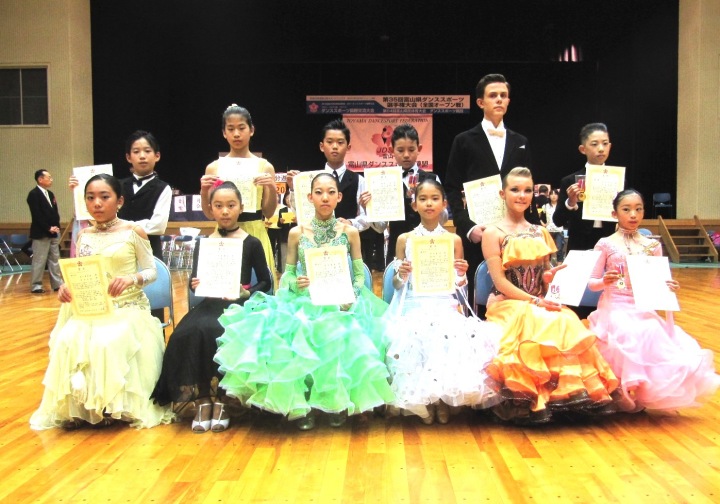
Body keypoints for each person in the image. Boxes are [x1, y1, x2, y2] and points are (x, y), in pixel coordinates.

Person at [213, 172, 394, 430]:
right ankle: (304, 403)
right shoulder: (297, 233)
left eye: (331, 192)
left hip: (340, 299)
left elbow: (358, 275)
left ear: (339, 197)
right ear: (309, 197)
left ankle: (335, 402)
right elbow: (286, 275)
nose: (325, 197)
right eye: (319, 192)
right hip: (305, 298)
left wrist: (350, 296)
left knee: (340, 331)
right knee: (296, 330)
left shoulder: (350, 232)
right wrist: (295, 282)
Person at [30, 174, 173, 430]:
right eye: (90, 197)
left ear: (119, 201)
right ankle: (80, 407)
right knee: (67, 340)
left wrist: (131, 279)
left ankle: (109, 405)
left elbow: (152, 271)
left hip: (127, 307)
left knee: (106, 342)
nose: (97, 203)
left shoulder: (133, 231)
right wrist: (67, 288)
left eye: (104, 197)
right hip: (92, 307)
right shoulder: (84, 235)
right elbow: (80, 272)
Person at [481, 167, 619, 424]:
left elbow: (546, 276)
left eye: (527, 190)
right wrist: (535, 300)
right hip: (507, 302)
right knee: (535, 318)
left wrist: (548, 279)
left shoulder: (540, 230)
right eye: (515, 190)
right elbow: (499, 282)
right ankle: (534, 399)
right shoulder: (493, 233)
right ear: (502, 194)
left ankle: (567, 393)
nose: (521, 195)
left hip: (538, 301)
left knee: (566, 319)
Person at [152, 181, 271, 433]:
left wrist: (246, 292)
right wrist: (194, 283)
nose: (225, 211)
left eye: (231, 205)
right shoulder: (204, 242)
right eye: (218, 206)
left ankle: (224, 400)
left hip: (239, 306)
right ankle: (203, 399)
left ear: (241, 208)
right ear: (211, 209)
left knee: (222, 331)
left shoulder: (251, 242)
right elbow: (195, 282)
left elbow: (266, 281)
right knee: (188, 333)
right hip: (209, 304)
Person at [587, 189, 720, 412]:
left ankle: (642, 392)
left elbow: (659, 280)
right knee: (626, 332)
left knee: (651, 330)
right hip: (614, 306)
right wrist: (604, 281)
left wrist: (669, 286)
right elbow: (592, 282)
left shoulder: (652, 245)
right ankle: (618, 390)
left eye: (638, 209)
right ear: (614, 213)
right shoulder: (605, 244)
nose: (633, 215)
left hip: (641, 307)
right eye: (626, 209)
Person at [384, 179, 501, 425]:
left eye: (434, 198)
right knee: (416, 334)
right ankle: (425, 401)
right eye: (423, 199)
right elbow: (396, 285)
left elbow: (459, 288)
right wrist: (401, 274)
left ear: (444, 204)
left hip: (443, 303)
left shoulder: (453, 240)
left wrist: (461, 274)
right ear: (414, 205)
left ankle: (442, 401)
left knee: (447, 334)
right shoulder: (405, 239)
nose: (429, 203)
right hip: (413, 303)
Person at [445, 74, 538, 304]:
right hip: (478, 230)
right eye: (493, 95)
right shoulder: (463, 140)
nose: (499, 100)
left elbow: (528, 187)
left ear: (508, 101)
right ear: (480, 102)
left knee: (517, 289)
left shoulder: (521, 141)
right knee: (477, 296)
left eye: (503, 95)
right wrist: (468, 227)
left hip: (514, 234)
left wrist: (533, 227)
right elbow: (451, 187)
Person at [68, 130, 171, 261]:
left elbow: (157, 226)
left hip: (149, 253)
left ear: (157, 156)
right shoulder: (116, 185)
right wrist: (77, 191)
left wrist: (118, 227)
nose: (142, 156)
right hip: (116, 253)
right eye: (136, 152)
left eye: (147, 151)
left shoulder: (163, 188)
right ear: (128, 157)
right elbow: (98, 214)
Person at [200, 104, 277, 272]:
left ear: (251, 130)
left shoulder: (265, 166)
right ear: (224, 133)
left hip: (255, 231)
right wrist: (204, 191)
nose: (236, 134)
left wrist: (272, 188)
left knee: (259, 284)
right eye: (230, 129)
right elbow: (209, 214)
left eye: (241, 128)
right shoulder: (213, 168)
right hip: (224, 233)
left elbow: (269, 212)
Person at [552, 123, 618, 318]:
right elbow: (557, 220)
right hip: (580, 246)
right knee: (577, 302)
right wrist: (571, 202)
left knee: (608, 299)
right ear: (583, 149)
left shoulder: (618, 178)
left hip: (609, 246)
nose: (601, 148)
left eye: (605, 143)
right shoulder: (570, 181)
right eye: (595, 144)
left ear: (610, 146)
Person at [369, 123, 445, 267]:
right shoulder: (385, 181)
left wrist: (428, 203)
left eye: (411, 149)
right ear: (391, 150)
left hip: (428, 245)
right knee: (397, 281)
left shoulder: (432, 179)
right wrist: (370, 208)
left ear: (419, 149)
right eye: (400, 150)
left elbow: (443, 219)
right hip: (397, 249)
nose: (406, 155)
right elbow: (380, 227)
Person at [285, 118, 371, 231]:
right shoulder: (310, 179)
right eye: (330, 142)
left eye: (340, 142)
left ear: (348, 147)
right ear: (322, 146)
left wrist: (351, 223)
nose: (335, 146)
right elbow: (301, 214)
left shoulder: (359, 180)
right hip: (315, 238)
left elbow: (367, 216)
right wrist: (293, 188)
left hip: (347, 238)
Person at [26, 169, 62, 294]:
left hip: (54, 232)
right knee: (39, 260)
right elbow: (37, 215)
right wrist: (48, 228)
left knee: (55, 259)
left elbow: (55, 212)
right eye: (49, 177)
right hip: (41, 232)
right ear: (40, 179)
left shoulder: (50, 194)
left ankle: (57, 284)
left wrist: (56, 227)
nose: (51, 179)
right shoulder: (33, 194)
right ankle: (36, 285)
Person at [541, 188, 565, 264]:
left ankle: (559, 266)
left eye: (555, 194)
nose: (553, 196)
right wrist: (543, 224)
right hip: (549, 230)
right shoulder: (545, 206)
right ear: (549, 196)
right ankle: (548, 265)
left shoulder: (561, 206)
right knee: (548, 249)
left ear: (558, 196)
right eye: (552, 194)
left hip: (559, 229)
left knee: (559, 248)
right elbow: (540, 217)